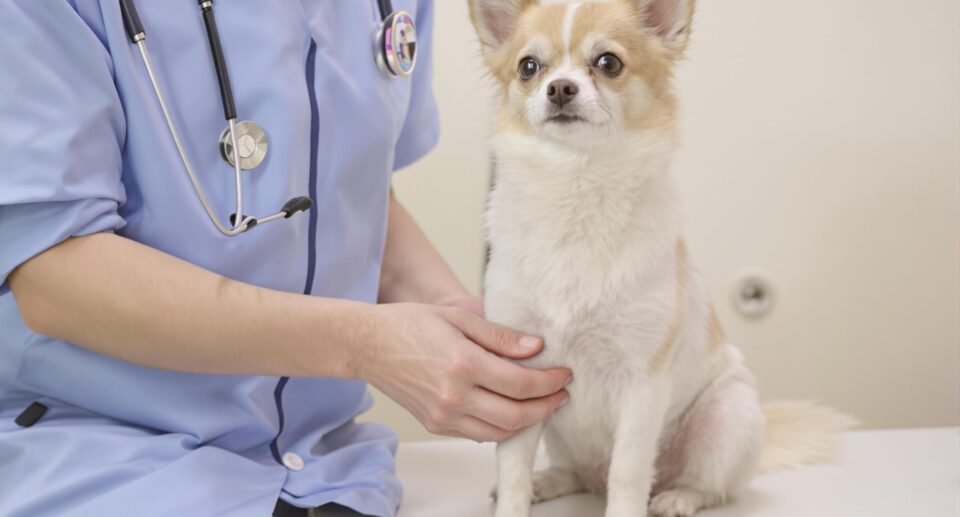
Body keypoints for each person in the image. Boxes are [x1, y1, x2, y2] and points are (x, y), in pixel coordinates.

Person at [0, 2, 571, 516]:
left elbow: (356, 197)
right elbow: (55, 274)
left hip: (331, 470)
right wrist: (367, 346)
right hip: (102, 460)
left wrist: (467, 326)